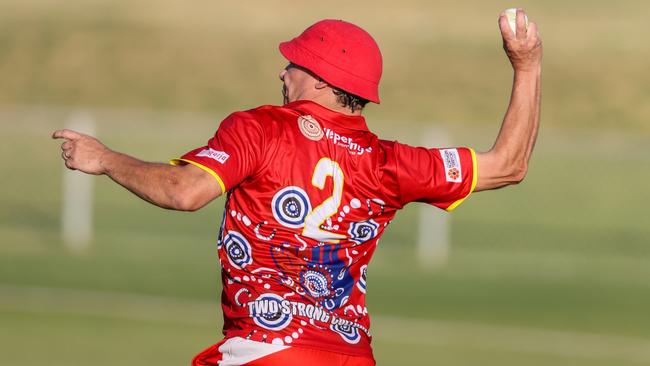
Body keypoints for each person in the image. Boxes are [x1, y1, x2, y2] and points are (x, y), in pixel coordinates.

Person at [53, 10, 541, 366]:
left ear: (323, 80)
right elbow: (509, 165)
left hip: (264, 351)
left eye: (294, 63)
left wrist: (106, 159)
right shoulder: (390, 162)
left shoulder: (260, 127)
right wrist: (527, 67)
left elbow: (185, 192)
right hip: (353, 356)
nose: (282, 72)